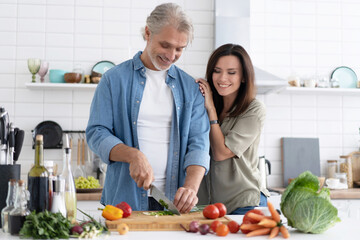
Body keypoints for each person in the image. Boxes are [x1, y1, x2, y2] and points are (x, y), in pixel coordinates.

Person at [86, 3, 210, 213]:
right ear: (147, 33)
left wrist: (190, 187)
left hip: (174, 204)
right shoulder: (113, 80)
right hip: (125, 202)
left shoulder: (190, 87)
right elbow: (96, 133)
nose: (171, 55)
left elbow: (198, 143)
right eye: (165, 45)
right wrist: (133, 155)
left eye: (179, 49)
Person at [196, 43, 269, 215]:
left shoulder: (254, 109)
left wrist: (211, 110)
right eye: (217, 70)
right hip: (207, 207)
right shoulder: (201, 105)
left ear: (243, 77)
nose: (222, 78)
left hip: (243, 203)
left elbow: (221, 153)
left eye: (231, 72)